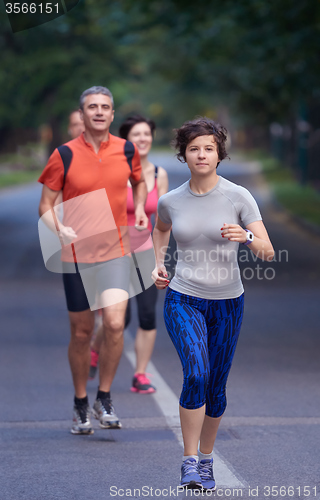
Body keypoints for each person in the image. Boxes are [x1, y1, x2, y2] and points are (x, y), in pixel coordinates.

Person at [152, 117, 274, 490]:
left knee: (216, 388)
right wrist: (159, 264)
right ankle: (189, 462)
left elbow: (267, 252)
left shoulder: (238, 196)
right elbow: (160, 230)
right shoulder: (170, 201)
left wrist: (247, 234)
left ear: (219, 154)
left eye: (208, 148)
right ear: (183, 155)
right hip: (183, 297)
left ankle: (207, 460)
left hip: (227, 303)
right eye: (194, 149)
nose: (201, 154)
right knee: (197, 374)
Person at [38, 86, 148, 435]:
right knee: (82, 332)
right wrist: (60, 229)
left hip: (116, 251)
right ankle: (80, 402)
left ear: (112, 115)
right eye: (92, 107)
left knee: (115, 325)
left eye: (105, 107)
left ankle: (104, 396)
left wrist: (142, 208)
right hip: (76, 256)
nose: (99, 112)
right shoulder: (64, 154)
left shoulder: (126, 149)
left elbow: (140, 182)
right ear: (82, 115)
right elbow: (45, 204)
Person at [89, 115, 169, 394]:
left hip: (145, 252)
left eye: (147, 133)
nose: (143, 139)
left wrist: (161, 260)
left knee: (147, 315)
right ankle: (95, 350)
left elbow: (163, 221)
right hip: (113, 253)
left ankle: (140, 374)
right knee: (119, 320)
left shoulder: (159, 174)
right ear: (126, 140)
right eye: (137, 135)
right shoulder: (114, 170)